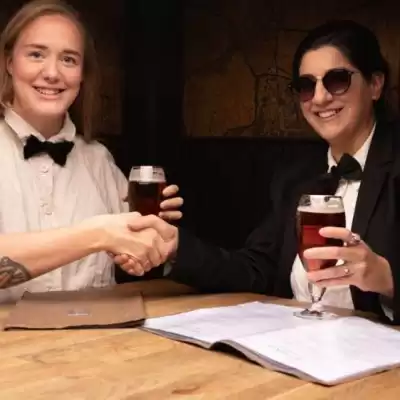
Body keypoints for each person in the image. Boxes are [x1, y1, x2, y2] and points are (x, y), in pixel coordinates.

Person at [118, 20, 400, 323]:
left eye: (337, 80)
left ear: (375, 85)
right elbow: (255, 270)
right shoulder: (296, 178)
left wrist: (387, 278)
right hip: (298, 340)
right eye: (306, 86)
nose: (319, 98)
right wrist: (176, 247)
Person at [0, 0, 182, 301]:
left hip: (97, 330)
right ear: (9, 63)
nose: (52, 73)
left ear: (82, 74)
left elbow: (136, 253)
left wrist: (154, 237)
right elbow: (104, 233)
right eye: (36, 54)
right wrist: (97, 235)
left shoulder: (98, 159)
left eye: (68, 59)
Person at [0, 212, 176, 289]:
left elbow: (129, 238)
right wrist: (100, 234)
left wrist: (156, 230)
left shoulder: (100, 159)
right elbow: (111, 232)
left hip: (106, 337)